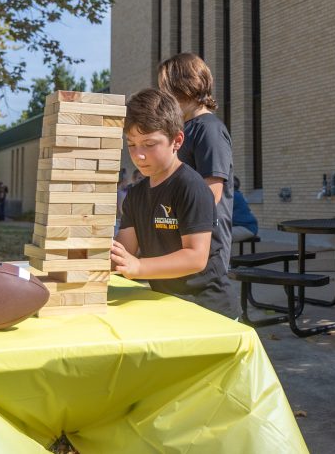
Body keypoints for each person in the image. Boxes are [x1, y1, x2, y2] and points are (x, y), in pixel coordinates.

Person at [110, 88, 238, 319]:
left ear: (177, 140)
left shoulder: (192, 187)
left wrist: (139, 267)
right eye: (131, 144)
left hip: (209, 310)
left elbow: (196, 257)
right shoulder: (136, 195)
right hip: (167, 304)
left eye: (149, 144)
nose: (138, 155)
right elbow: (123, 252)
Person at [158, 53, 234, 269]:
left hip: (205, 251)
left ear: (183, 86)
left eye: (165, 88)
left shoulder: (209, 129)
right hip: (181, 243)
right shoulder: (185, 129)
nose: (164, 97)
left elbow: (212, 193)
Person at [231, 175, 259, 241]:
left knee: (216, 235)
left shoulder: (233, 195)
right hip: (242, 226)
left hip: (246, 228)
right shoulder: (236, 195)